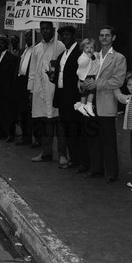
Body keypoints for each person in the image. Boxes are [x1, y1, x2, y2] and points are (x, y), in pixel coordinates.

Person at [82, 26, 127, 182]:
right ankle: (96, 169)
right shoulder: (92, 55)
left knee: (108, 139)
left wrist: (96, 84)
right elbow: (83, 74)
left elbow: (118, 80)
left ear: (113, 38)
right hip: (89, 101)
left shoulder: (119, 58)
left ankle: (111, 172)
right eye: (101, 35)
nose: (104, 38)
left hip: (106, 102)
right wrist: (83, 84)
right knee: (93, 136)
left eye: (107, 35)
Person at [51, 25, 91, 171]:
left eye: (67, 35)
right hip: (63, 98)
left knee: (78, 130)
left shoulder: (80, 53)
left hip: (75, 98)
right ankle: (74, 158)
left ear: (73, 36)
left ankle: (83, 161)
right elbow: (61, 77)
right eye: (62, 36)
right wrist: (53, 77)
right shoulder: (62, 55)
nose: (65, 37)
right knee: (68, 130)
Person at [29, 21, 65, 162]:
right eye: (42, 29)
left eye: (47, 28)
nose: (45, 31)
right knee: (45, 123)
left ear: (53, 29)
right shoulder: (36, 48)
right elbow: (32, 71)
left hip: (56, 89)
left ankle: (62, 154)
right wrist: (31, 90)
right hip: (41, 90)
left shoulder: (60, 46)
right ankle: (46, 153)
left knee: (59, 123)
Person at [11, 29, 34, 145]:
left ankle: (31, 137)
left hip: (29, 83)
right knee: (22, 111)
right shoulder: (22, 51)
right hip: (20, 83)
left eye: (30, 36)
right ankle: (25, 136)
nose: (28, 38)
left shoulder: (36, 50)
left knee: (30, 113)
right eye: (26, 36)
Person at [75, 38, 100, 117]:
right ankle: (83, 105)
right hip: (85, 76)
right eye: (87, 47)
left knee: (91, 91)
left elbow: (98, 62)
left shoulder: (95, 54)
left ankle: (87, 104)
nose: (89, 49)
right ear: (83, 48)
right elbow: (82, 64)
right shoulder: (82, 57)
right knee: (85, 91)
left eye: (91, 47)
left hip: (93, 75)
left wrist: (95, 56)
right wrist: (88, 57)